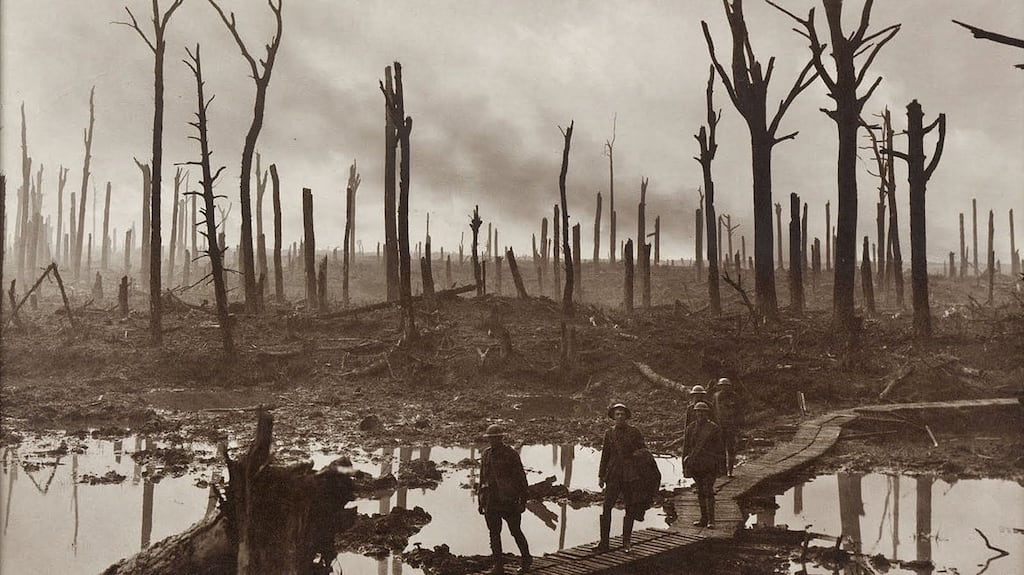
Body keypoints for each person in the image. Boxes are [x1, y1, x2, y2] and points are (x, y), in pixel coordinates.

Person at [479, 424, 531, 575]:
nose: (493, 441)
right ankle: (498, 567)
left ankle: (526, 560)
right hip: (491, 501)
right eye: (490, 438)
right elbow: (482, 479)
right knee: (494, 535)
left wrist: (522, 501)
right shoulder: (486, 454)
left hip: (509, 501)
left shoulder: (511, 454)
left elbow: (521, 478)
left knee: (515, 531)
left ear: (501, 438)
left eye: (495, 438)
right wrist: (481, 501)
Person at [596, 402, 646, 553]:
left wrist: (636, 461)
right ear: (613, 417)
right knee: (606, 508)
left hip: (630, 475)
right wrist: (601, 475)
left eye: (622, 414)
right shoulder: (609, 433)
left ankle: (626, 543)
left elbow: (644, 452)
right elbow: (605, 455)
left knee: (630, 508)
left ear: (626, 416)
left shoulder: (634, 432)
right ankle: (604, 543)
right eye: (617, 414)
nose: (619, 416)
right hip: (613, 475)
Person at [682, 401, 724, 529]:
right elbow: (686, 448)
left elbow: (720, 449)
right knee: (700, 491)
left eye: (703, 411)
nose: (700, 414)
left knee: (708, 491)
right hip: (696, 464)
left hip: (710, 464)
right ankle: (703, 518)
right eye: (698, 411)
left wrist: (721, 467)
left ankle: (711, 520)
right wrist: (685, 466)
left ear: (707, 413)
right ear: (694, 413)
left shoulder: (714, 428)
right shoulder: (690, 428)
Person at [712, 377, 742, 477]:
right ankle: (722, 470)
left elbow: (739, 412)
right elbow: (713, 411)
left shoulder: (734, 396)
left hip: (731, 426)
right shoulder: (716, 396)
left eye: (726, 386)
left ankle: (730, 470)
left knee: (730, 449)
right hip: (719, 426)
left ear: (729, 387)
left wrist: (737, 425)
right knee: (720, 449)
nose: (724, 388)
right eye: (722, 386)